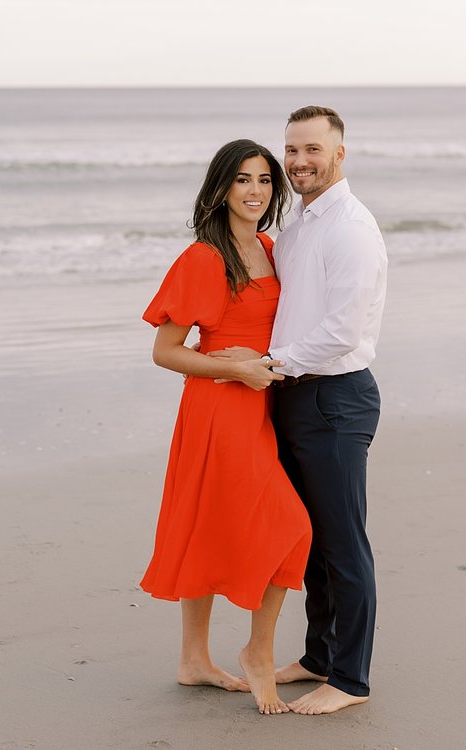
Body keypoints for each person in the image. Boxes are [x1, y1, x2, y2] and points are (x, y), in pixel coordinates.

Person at [211, 106, 387, 714]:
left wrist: (266, 360)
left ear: (340, 153)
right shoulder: (301, 224)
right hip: (292, 392)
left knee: (343, 544)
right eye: (291, 150)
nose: (298, 161)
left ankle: (350, 679)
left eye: (312, 149)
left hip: (335, 399)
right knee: (306, 538)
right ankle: (317, 656)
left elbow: (339, 334)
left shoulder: (351, 230)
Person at [140, 139, 313, 715]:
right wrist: (234, 366)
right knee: (290, 524)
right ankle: (256, 654)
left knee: (210, 523)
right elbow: (165, 351)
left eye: (265, 180)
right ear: (220, 188)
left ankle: (193, 661)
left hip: (264, 405)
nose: (255, 192)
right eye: (243, 180)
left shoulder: (268, 246)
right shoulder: (204, 258)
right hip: (219, 409)